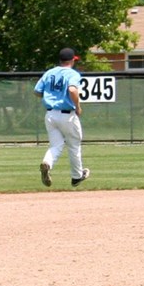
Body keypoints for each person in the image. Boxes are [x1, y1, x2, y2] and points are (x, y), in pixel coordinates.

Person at [34, 48, 90, 187]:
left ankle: (47, 163)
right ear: (72, 60)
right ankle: (77, 176)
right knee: (74, 145)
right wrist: (77, 106)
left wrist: (50, 97)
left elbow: (37, 91)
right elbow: (72, 89)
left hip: (50, 114)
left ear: (60, 60)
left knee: (56, 145)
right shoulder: (72, 74)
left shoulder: (49, 72)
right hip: (67, 114)